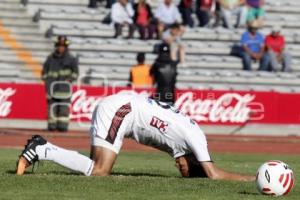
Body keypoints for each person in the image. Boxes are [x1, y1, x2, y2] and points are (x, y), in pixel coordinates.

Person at [16, 93, 255, 182]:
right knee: (100, 170)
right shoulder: (197, 139)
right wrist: (250, 179)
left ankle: (42, 148)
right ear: (195, 159)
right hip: (121, 110)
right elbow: (214, 175)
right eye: (188, 170)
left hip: (121, 107)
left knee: (91, 171)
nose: (179, 167)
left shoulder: (185, 140)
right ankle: (42, 149)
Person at [41, 36, 79, 132]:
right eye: (59, 45)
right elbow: (44, 73)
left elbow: (75, 73)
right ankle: (52, 126)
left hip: (64, 89)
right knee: (51, 108)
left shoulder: (71, 59)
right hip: (52, 88)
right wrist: (47, 83)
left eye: (62, 46)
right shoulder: (50, 58)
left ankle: (62, 126)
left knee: (63, 108)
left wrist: (69, 79)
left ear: (66, 47)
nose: (60, 48)